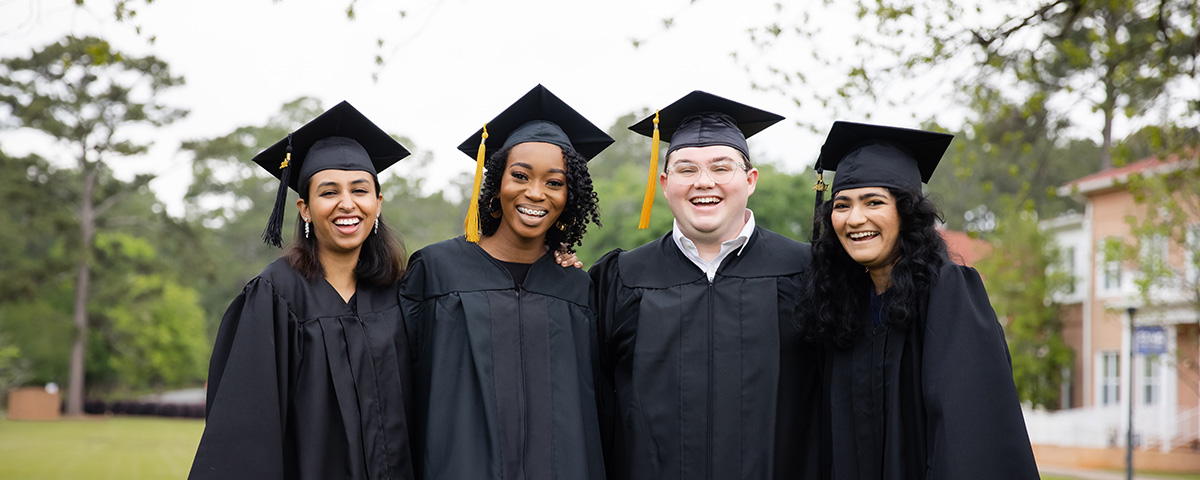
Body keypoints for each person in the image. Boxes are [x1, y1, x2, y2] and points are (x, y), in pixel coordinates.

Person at [589, 91, 821, 479]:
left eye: (721, 167)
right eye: (686, 169)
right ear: (665, 183)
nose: (704, 182)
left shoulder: (807, 272)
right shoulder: (621, 278)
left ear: (750, 180)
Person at [800, 121, 1039, 479]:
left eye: (874, 202)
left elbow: (970, 436)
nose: (855, 219)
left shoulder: (949, 293)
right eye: (842, 205)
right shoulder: (843, 306)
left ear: (906, 213)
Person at [189, 102, 415, 480]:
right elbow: (244, 435)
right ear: (305, 208)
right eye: (328, 192)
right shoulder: (274, 297)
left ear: (377, 203)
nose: (347, 203)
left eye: (360, 190)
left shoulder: (402, 294)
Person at [399, 85, 611, 480]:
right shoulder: (436, 271)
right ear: (496, 182)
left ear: (571, 196)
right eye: (520, 175)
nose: (535, 192)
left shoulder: (576, 289)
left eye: (554, 182)